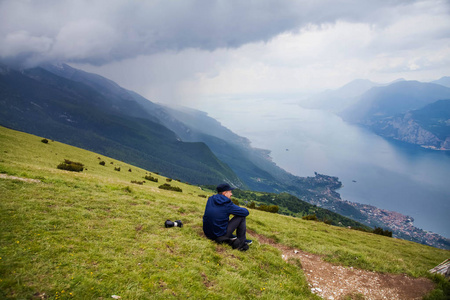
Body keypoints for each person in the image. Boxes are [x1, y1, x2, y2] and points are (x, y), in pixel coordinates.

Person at [202, 183, 251, 251]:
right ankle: (242, 243)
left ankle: (232, 238)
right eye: (230, 192)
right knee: (242, 216)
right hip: (219, 235)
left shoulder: (211, 199)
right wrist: (234, 212)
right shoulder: (227, 203)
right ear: (225, 193)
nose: (231, 194)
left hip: (207, 233)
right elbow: (246, 212)